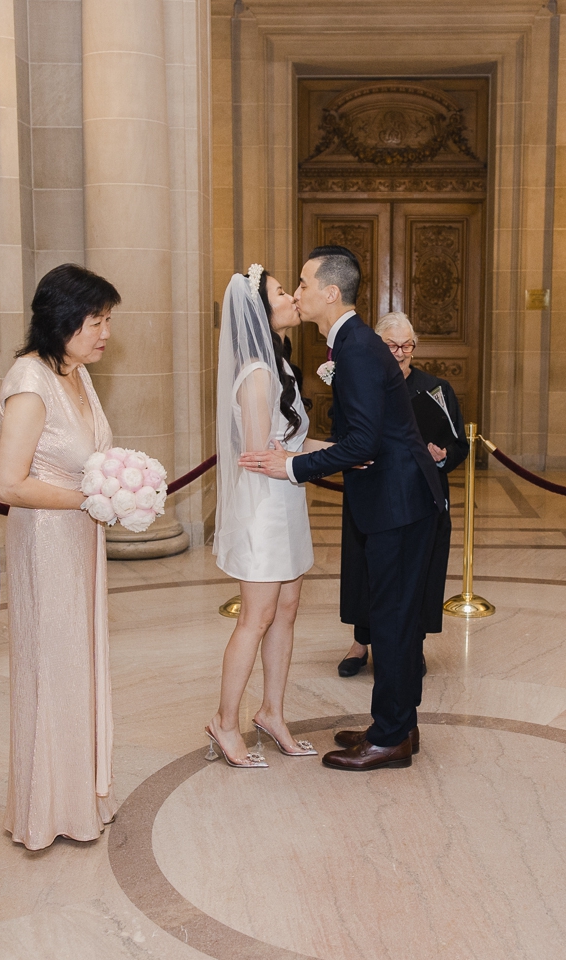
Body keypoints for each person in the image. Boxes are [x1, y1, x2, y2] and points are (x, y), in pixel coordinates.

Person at [241, 246, 444, 772]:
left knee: (394, 621)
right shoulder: (353, 343)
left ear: (331, 292)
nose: (299, 292)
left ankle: (393, 737)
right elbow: (365, 437)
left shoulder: (354, 349)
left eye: (305, 283)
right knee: (391, 617)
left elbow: (363, 447)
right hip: (400, 496)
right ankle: (397, 723)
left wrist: (289, 466)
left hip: (399, 503)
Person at [0, 263, 121, 849]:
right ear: (64, 318)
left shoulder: (74, 373)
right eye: (97, 320)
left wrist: (117, 489)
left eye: (108, 320)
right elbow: (8, 484)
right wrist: (89, 499)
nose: (105, 333)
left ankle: (78, 796)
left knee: (79, 663)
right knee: (52, 667)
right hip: (46, 542)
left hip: (77, 538)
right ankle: (46, 809)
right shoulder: (30, 380)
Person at [208, 265, 329, 766]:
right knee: (256, 618)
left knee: (287, 609)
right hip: (263, 510)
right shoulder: (257, 374)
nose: (293, 298)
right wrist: (309, 457)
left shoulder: (278, 364)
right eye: (284, 292)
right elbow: (262, 456)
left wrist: (341, 450)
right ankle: (224, 721)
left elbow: (290, 446)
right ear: (261, 309)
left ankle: (273, 712)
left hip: (286, 502)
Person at [336, 311, 467, 678]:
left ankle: (412, 645)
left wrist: (443, 456)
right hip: (372, 493)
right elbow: (344, 435)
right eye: (392, 345)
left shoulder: (437, 389)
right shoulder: (364, 383)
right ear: (378, 346)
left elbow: (459, 444)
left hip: (423, 496)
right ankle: (361, 643)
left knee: (418, 573)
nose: (400, 352)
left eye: (407, 345)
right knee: (365, 570)